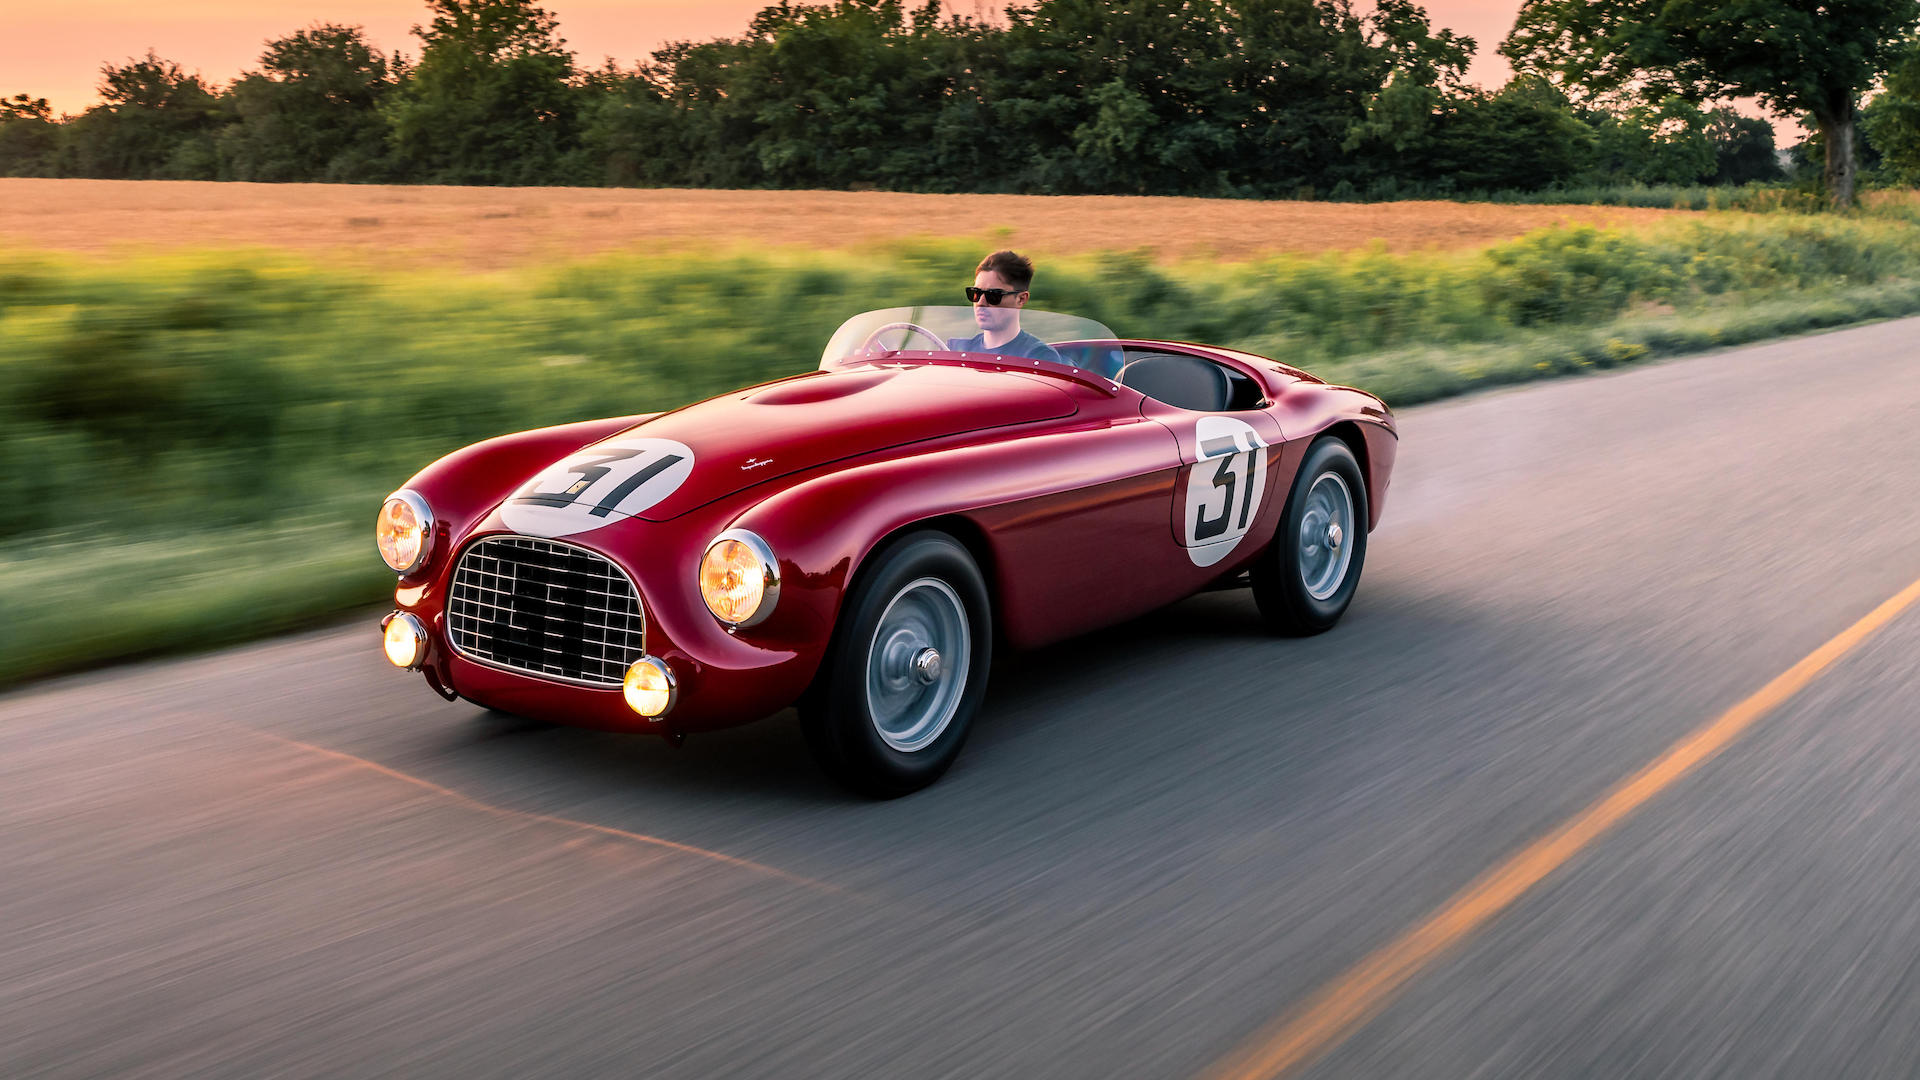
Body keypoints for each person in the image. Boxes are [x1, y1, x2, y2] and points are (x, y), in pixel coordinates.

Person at [947, 250, 1064, 364]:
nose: (981, 302)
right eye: (975, 293)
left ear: (1021, 299)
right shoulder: (956, 350)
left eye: (993, 295)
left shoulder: (1038, 357)